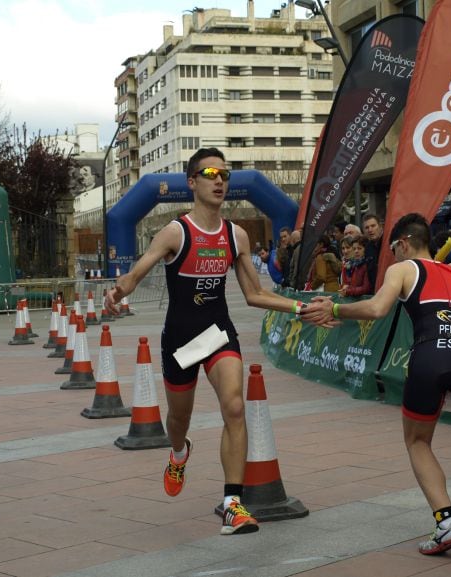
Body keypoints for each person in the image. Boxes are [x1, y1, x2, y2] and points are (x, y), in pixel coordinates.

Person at [105, 147, 315, 536]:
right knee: (178, 422)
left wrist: (300, 307)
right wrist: (120, 290)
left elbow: (254, 294)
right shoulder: (176, 232)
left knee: (234, 406)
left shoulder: (236, 236)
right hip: (180, 342)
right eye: (211, 173)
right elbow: (140, 270)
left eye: (225, 174)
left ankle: (232, 503)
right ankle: (180, 453)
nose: (220, 180)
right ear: (192, 182)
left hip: (218, 334)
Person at [301, 213, 451, 555]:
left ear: (404, 242)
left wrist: (336, 309)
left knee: (418, 442)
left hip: (429, 357)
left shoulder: (403, 269)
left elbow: (376, 309)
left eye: (393, 248)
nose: (392, 255)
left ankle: (446, 524)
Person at [362, 213, 384, 291]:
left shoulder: (388, 243)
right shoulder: (367, 248)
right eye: (367, 227)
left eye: (373, 226)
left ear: (380, 226)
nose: (370, 230)